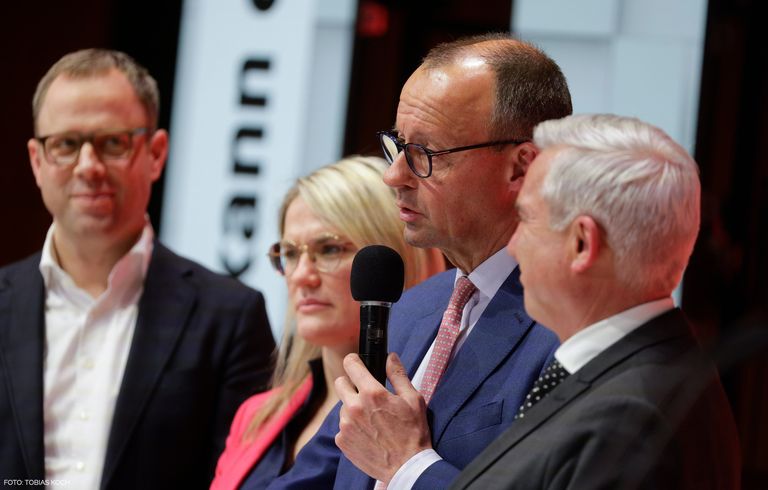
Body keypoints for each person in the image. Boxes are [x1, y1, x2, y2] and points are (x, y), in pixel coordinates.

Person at [268, 33, 572, 489]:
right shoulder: (410, 311)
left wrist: (409, 467)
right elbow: (312, 477)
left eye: (424, 154)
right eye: (398, 145)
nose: (394, 175)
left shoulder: (570, 330)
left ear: (522, 166)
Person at [0, 49, 276, 490]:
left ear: (156, 153)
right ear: (37, 161)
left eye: (113, 143)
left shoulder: (230, 318)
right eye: (66, 145)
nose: (88, 167)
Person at [450, 114, 742, 489]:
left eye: (526, 219)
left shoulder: (628, 420)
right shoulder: (655, 374)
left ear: (582, 243)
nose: (513, 245)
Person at [210, 156, 445, 490]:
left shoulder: (418, 415)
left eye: (329, 249)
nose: (302, 275)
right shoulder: (257, 415)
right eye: (290, 253)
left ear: (392, 262)